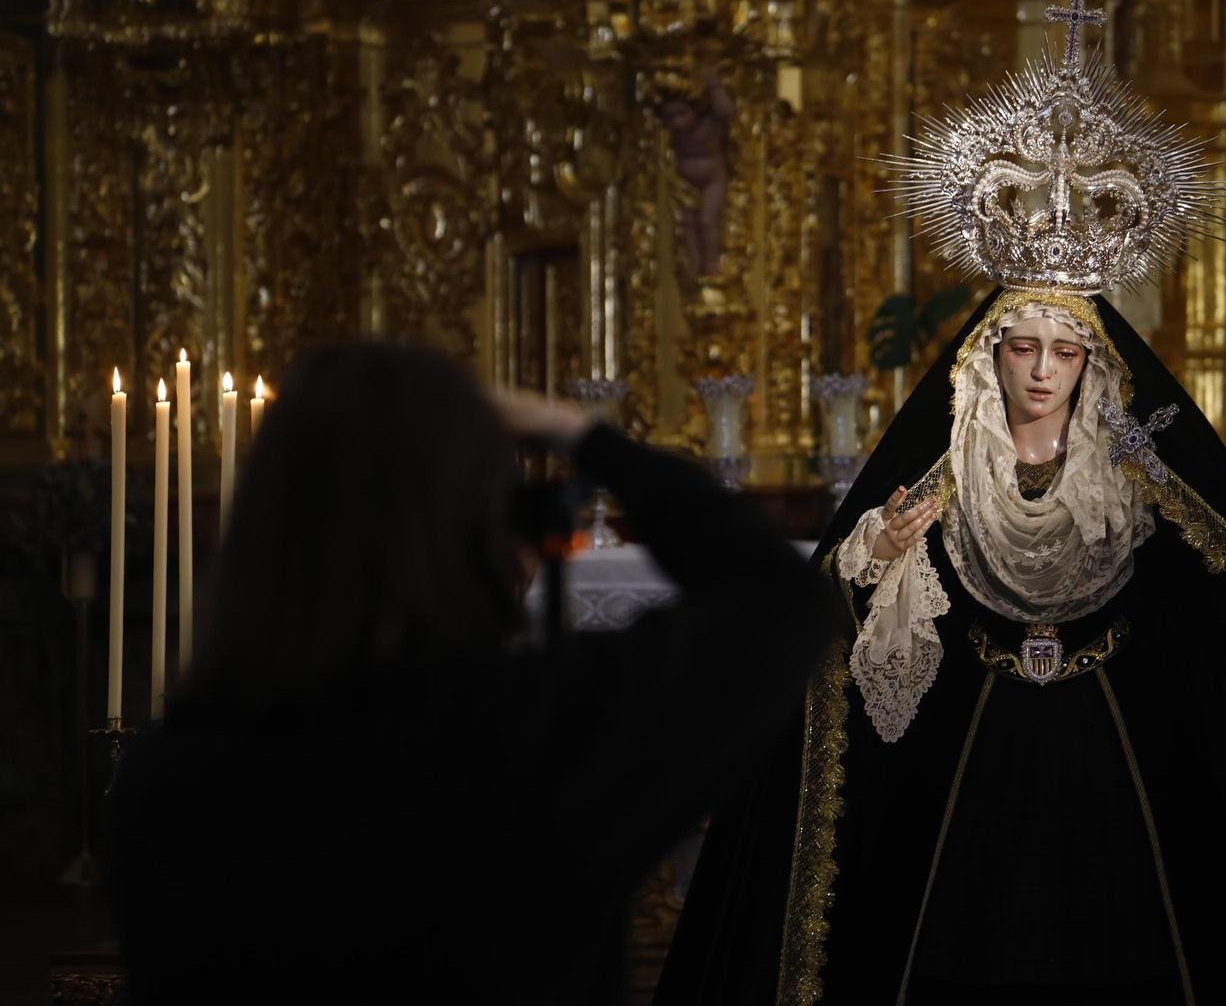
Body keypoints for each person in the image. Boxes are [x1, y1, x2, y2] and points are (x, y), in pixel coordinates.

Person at [654, 0, 1226, 1006]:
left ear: (1095, 361)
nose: (1041, 369)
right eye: (1021, 346)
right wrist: (878, 554)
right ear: (987, 355)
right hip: (972, 757)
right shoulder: (943, 470)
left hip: (1114, 753)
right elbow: (833, 615)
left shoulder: (1138, 466)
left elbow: (1224, 578)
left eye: (1063, 350)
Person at [109, 341, 838, 1005]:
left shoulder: (164, 781)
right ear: (478, 532)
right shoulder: (533, 735)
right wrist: (583, 437)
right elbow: (781, 599)